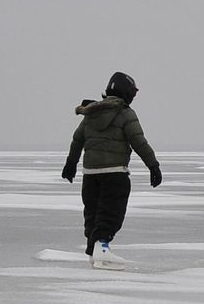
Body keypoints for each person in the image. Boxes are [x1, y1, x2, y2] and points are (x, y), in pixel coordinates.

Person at [61, 71, 162, 269]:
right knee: (110, 212)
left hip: (90, 174)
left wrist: (70, 164)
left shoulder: (90, 114)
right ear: (126, 93)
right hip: (115, 174)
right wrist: (153, 166)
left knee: (93, 212)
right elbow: (139, 141)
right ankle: (102, 248)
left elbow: (77, 140)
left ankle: (94, 251)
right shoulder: (125, 113)